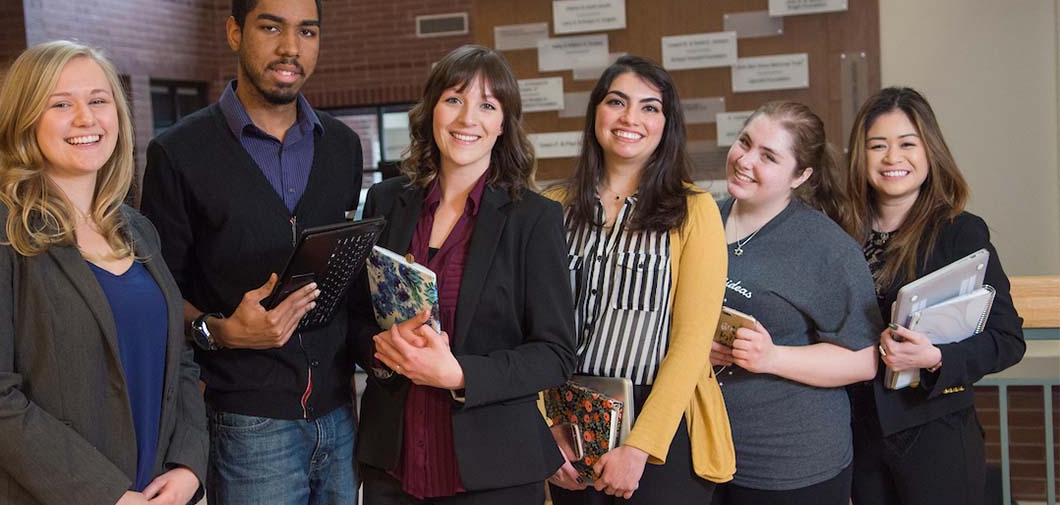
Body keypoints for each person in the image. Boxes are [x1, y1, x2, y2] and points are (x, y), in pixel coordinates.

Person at [0, 40, 207, 505]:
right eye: (61, 104)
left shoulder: (135, 229)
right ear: (25, 120)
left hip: (155, 491)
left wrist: (187, 465)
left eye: (98, 101)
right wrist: (106, 495)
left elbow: (177, 362)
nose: (86, 118)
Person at [139, 0, 363, 505]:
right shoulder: (179, 153)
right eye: (271, 27)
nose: (291, 46)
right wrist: (224, 332)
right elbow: (160, 298)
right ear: (235, 31)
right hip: (246, 424)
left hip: (338, 415)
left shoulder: (342, 147)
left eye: (306, 31)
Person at [349, 44, 576, 505]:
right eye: (454, 99)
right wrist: (377, 349)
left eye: (487, 106)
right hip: (392, 468)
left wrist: (460, 374)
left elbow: (554, 353)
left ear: (502, 125)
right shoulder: (384, 201)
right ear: (432, 109)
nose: (467, 118)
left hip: (494, 472)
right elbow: (353, 317)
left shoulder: (534, 219)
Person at [544, 55, 733, 505]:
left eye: (650, 107)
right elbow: (531, 329)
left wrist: (640, 446)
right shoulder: (551, 208)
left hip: (660, 423)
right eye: (617, 102)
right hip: (567, 423)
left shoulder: (695, 210)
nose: (631, 118)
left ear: (667, 125)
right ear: (596, 113)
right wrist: (544, 432)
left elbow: (692, 341)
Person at [841, 87, 1025, 505]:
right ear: (860, 155)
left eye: (908, 143)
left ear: (930, 151)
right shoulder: (839, 232)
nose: (892, 158)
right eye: (877, 145)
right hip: (857, 436)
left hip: (934, 431)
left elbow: (1007, 338)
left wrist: (936, 358)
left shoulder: (959, 231)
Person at [708, 102, 883, 505]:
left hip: (791, 466)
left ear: (800, 175)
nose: (746, 160)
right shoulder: (703, 219)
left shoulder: (827, 248)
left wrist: (772, 357)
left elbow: (865, 359)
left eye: (768, 156)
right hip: (706, 452)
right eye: (745, 143)